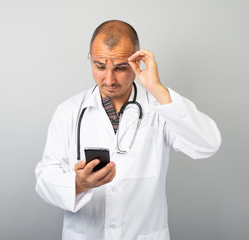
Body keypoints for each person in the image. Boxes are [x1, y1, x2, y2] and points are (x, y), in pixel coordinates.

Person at [35, 20, 221, 240]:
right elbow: (45, 178)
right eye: (100, 66)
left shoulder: (159, 106)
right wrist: (78, 184)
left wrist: (156, 88)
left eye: (121, 68)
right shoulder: (69, 111)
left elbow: (207, 144)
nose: (109, 79)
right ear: (90, 60)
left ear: (137, 62)